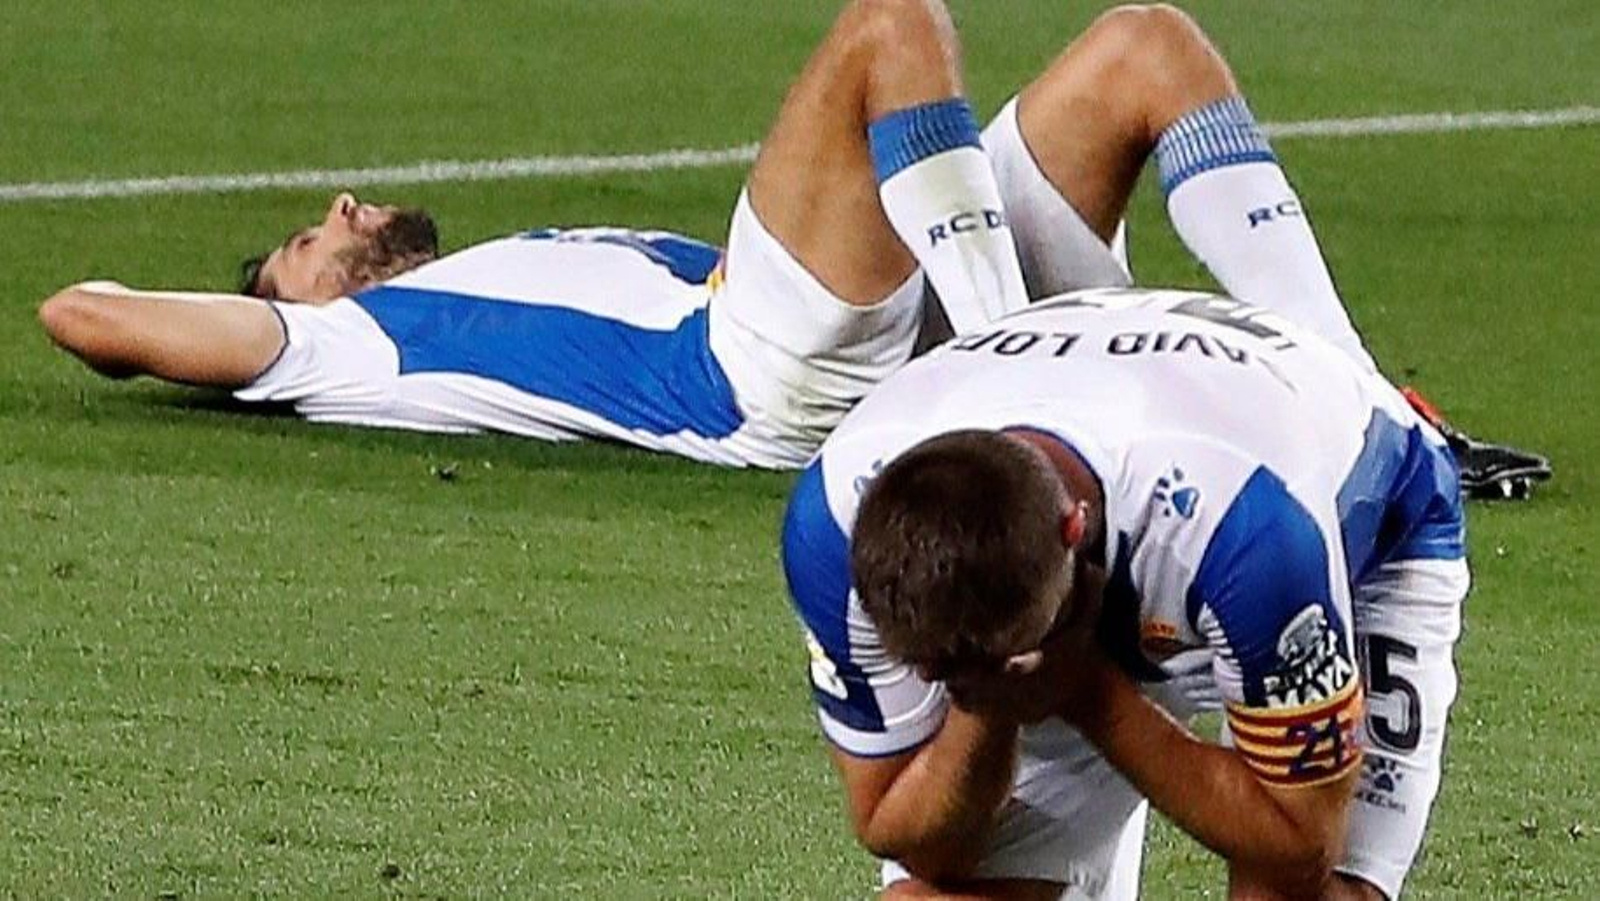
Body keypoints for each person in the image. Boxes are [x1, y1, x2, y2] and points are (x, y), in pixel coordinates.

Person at [35, 3, 1546, 491]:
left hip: (884, 320)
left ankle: (1362, 404)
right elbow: (85, 312)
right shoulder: (347, 345)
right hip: (754, 381)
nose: (349, 215)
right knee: (893, 25)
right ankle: (1027, 382)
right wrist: (249, 322)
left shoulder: (532, 250)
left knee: (1147, 45)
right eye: (309, 237)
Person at [781, 281, 1467, 899]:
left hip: (1362, 529)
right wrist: (983, 706)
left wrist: (1088, 694)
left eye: (987, 664)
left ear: (1074, 532)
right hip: (1082, 592)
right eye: (935, 670)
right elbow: (909, 834)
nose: (949, 680)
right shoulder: (832, 524)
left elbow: (1298, 846)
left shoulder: (1252, 531)